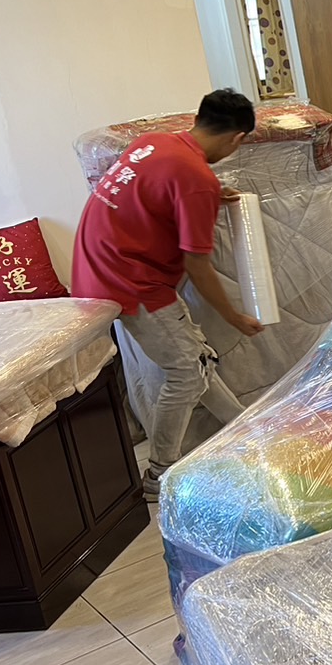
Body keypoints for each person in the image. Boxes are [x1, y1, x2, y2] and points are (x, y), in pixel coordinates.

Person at [72, 88, 265, 498]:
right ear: (236, 138)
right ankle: (159, 475)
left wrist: (206, 192)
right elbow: (198, 265)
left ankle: (245, 428)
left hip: (97, 264)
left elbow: (158, 187)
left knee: (194, 360)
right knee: (186, 372)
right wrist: (235, 317)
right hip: (130, 279)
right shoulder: (196, 179)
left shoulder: (154, 143)